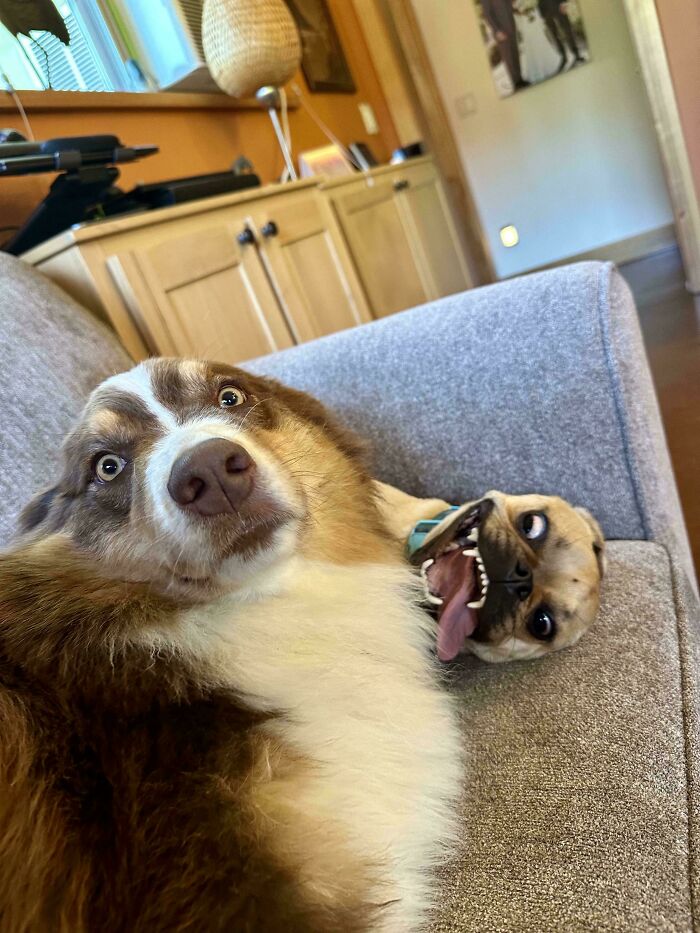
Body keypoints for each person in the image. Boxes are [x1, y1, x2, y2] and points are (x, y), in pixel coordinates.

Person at [480, 0, 530, 91]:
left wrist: (520, 10)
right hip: (501, 31)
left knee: (515, 53)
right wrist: (497, 30)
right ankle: (516, 82)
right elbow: (487, 14)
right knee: (508, 57)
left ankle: (520, 79)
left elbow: (510, 6)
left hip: (511, 26)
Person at [515, 2, 561, 84]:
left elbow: (535, 2)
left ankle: (547, 63)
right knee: (531, 40)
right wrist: (521, 11)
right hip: (525, 19)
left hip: (534, 15)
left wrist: (531, 7)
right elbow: (514, 8)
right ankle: (535, 68)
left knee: (539, 37)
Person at [537, 0, 585, 72]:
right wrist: (541, 13)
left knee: (567, 31)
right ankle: (564, 57)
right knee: (555, 36)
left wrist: (563, 3)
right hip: (545, 10)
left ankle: (576, 55)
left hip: (558, 6)